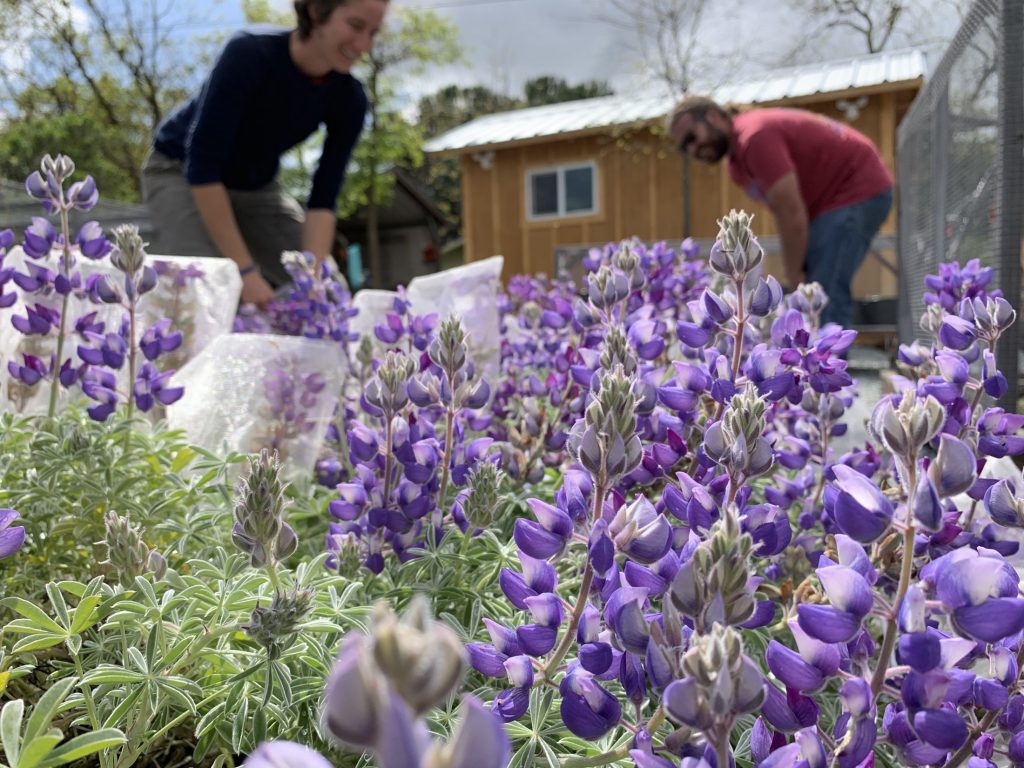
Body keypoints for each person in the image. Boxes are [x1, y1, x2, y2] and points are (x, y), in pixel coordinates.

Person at [142, 0, 387, 306]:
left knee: (327, 295)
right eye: (355, 26)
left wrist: (311, 280)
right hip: (179, 171)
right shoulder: (250, 52)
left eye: (374, 33)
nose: (364, 44)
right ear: (316, 11)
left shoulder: (350, 99)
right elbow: (202, 165)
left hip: (257, 187)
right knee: (210, 287)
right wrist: (245, 273)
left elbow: (324, 197)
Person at [666, 97, 893, 327]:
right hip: (825, 205)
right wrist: (797, 267)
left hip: (856, 187)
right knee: (814, 287)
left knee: (823, 292)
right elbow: (784, 210)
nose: (692, 150)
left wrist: (794, 274)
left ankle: (828, 361)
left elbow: (790, 211)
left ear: (713, 116)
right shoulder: (736, 163)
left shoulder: (754, 137)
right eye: (685, 148)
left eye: (692, 138)